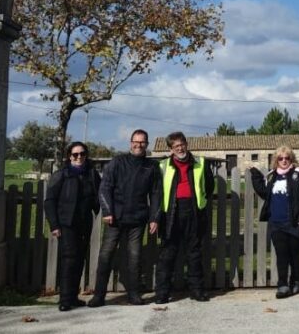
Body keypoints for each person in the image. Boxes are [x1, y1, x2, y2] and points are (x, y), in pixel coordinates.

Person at [88, 129, 161, 307]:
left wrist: (154, 218)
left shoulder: (151, 167)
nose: (139, 145)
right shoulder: (117, 162)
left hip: (138, 220)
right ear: (130, 143)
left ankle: (134, 294)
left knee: (135, 257)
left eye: (142, 142)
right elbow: (105, 188)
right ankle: (99, 295)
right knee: (106, 256)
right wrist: (107, 211)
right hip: (115, 219)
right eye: (135, 142)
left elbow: (156, 193)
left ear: (147, 144)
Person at [154, 131, 215, 304]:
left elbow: (209, 186)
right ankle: (162, 293)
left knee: (194, 253)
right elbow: (158, 192)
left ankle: (197, 291)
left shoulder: (200, 163)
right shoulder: (163, 165)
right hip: (171, 212)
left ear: (186, 144)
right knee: (167, 254)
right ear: (171, 149)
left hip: (194, 211)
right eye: (176, 146)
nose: (180, 148)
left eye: (182, 144)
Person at [250, 145, 299, 298]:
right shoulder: (272, 175)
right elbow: (264, 192)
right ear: (276, 160)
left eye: (287, 158)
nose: (284, 161)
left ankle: (296, 281)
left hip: (294, 223)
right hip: (276, 223)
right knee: (281, 255)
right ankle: (282, 285)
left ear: (291, 159)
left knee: (295, 254)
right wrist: (255, 174)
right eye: (281, 158)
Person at [44, 141, 102, 311]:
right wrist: (54, 225)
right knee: (68, 259)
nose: (79, 157)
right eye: (75, 154)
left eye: (82, 154)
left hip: (84, 222)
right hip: (66, 223)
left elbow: (101, 193)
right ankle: (65, 299)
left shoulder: (91, 174)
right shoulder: (61, 174)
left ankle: (74, 297)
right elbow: (50, 202)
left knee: (79, 259)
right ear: (69, 156)